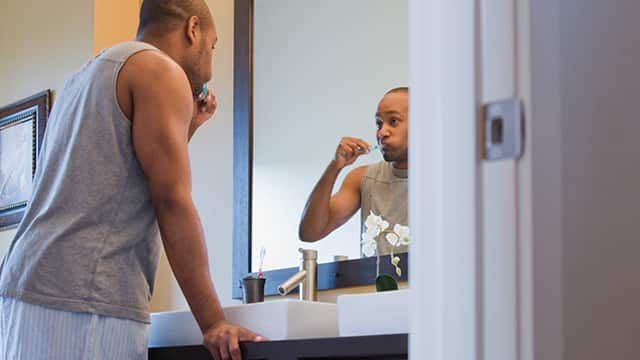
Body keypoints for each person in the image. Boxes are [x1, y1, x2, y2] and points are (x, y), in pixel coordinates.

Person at [0, 1, 263, 359]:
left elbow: (124, 173)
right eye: (212, 46)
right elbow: (172, 199)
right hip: (84, 297)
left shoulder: (88, 75)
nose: (211, 66)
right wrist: (213, 322)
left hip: (30, 287)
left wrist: (189, 127)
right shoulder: (159, 70)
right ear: (193, 29)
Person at [298, 87, 409, 256]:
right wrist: (335, 167)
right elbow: (310, 233)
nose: (382, 132)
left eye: (393, 121)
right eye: (379, 123)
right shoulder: (363, 179)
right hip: (377, 283)